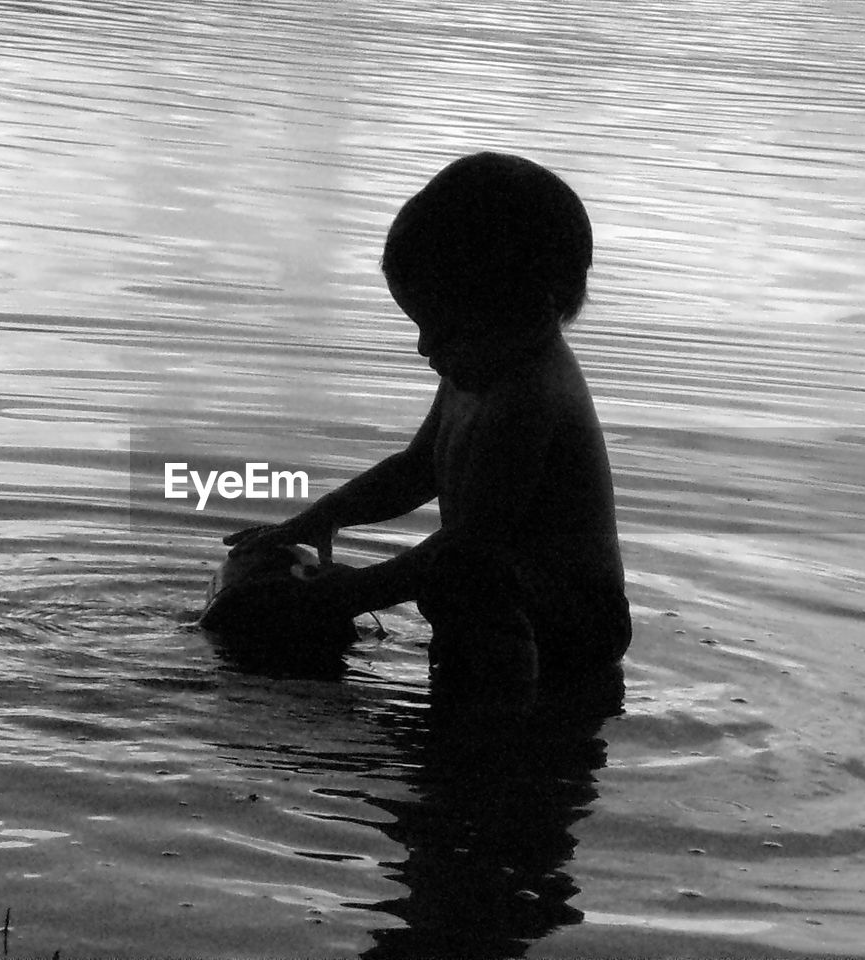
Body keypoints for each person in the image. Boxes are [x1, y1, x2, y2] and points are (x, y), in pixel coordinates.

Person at [225, 152, 630, 701]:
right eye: (421, 326)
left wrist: (351, 591)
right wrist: (322, 515)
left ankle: (502, 726)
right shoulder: (478, 366)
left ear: (529, 309)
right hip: (500, 596)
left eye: (444, 329)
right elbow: (415, 470)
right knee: (459, 585)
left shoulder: (532, 396)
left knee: (467, 578)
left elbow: (468, 545)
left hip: (571, 627)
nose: (425, 348)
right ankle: (462, 714)